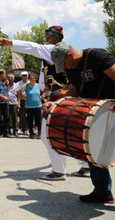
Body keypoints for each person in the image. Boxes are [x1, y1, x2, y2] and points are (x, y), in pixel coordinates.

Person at [0, 28, 89, 180]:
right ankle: (84, 164)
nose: (46, 37)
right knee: (64, 133)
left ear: (58, 38)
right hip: (57, 99)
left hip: (60, 99)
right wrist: (43, 92)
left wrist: (12, 43)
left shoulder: (52, 50)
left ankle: (59, 170)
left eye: (49, 35)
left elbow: (34, 47)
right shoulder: (53, 54)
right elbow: (43, 77)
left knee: (50, 135)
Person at [48, 41, 115, 203]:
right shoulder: (72, 69)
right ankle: (102, 191)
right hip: (94, 114)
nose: (64, 68)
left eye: (63, 64)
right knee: (93, 149)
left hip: (111, 108)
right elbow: (73, 90)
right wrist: (57, 103)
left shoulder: (97, 56)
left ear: (70, 55)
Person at [18, 73, 42, 139]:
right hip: (29, 106)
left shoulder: (38, 86)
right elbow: (19, 92)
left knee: (38, 120)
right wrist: (24, 98)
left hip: (38, 105)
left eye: (33, 78)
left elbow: (43, 92)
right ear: (29, 79)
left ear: (35, 79)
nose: (32, 79)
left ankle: (40, 133)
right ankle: (31, 133)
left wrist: (42, 97)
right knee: (30, 120)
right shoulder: (27, 86)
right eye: (31, 78)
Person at [7, 72, 19, 136]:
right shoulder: (5, 85)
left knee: (15, 117)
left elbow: (18, 94)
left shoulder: (16, 85)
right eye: (9, 77)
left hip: (14, 103)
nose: (10, 78)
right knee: (7, 117)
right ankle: (8, 130)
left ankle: (15, 130)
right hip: (7, 103)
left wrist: (18, 102)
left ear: (14, 78)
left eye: (11, 77)